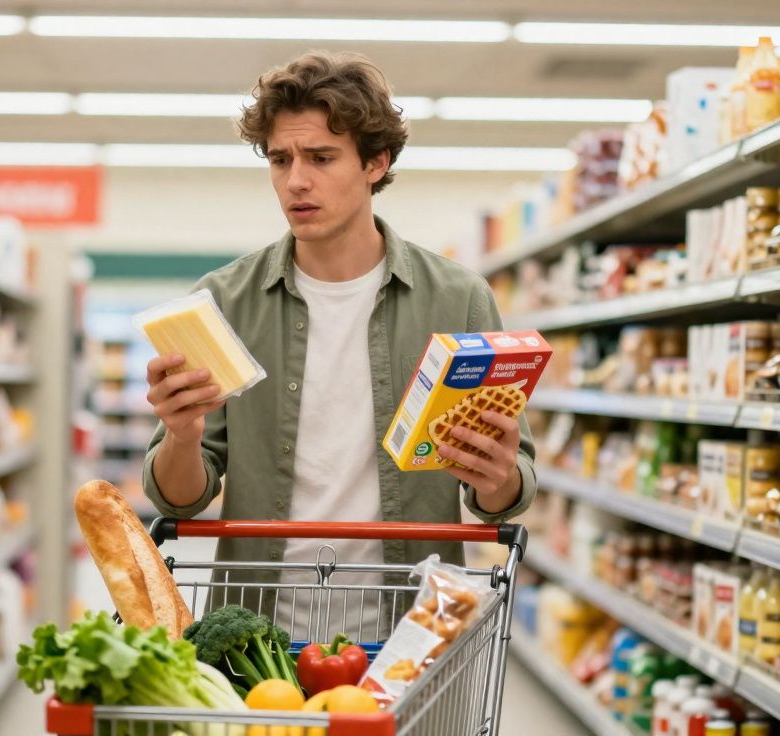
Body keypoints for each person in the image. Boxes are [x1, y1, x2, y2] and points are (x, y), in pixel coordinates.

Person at [142, 51, 537, 626]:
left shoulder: (459, 299)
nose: (296, 180)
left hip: (410, 630)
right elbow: (180, 499)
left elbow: (506, 493)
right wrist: (181, 436)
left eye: (322, 157)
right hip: (257, 633)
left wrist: (497, 476)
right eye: (280, 159)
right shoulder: (224, 300)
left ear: (375, 162)